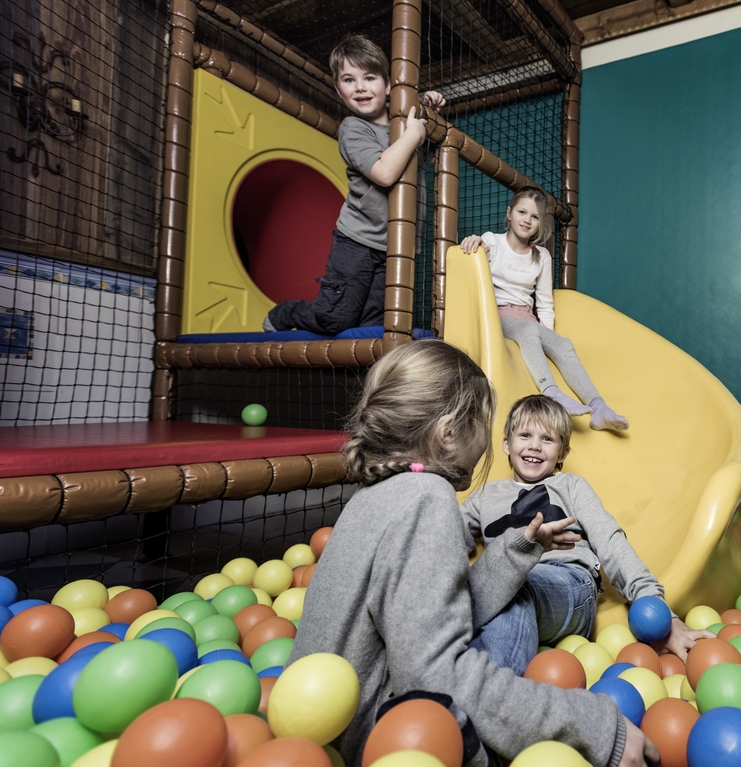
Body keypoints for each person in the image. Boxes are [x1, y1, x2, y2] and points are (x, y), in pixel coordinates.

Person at [287, 341, 658, 767]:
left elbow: (422, 614)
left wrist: (517, 550)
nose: (487, 440)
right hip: (396, 743)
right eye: (484, 422)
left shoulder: (373, 495)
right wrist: (595, 727)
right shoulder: (428, 499)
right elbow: (436, 676)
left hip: (322, 736)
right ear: (449, 433)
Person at [461, 394, 710, 674]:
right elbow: (446, 535)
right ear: (507, 443)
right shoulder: (485, 496)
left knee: (512, 585)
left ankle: (491, 690)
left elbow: (610, 541)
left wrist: (655, 606)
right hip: (505, 583)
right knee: (492, 587)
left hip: (568, 584)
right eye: (525, 435)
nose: (534, 446)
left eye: (547, 439)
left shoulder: (570, 486)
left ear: (562, 453)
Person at [264, 35, 443, 334]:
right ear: (339, 90)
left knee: (372, 325)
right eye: (349, 80)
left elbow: (432, 152)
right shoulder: (354, 128)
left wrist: (430, 113)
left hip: (397, 246)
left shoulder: (404, 124)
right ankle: (287, 313)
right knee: (335, 318)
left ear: (388, 85)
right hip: (358, 241)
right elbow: (384, 174)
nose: (360, 87)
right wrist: (413, 134)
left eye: (369, 78)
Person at [460, 189, 629, 431]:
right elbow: (476, 251)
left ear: (540, 223)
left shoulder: (542, 256)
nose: (527, 220)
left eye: (535, 216)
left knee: (563, 344)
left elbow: (544, 302)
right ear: (509, 213)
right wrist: (474, 241)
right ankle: (552, 392)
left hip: (527, 318)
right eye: (522, 212)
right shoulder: (494, 242)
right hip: (499, 316)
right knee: (529, 331)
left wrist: (547, 336)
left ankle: (599, 408)